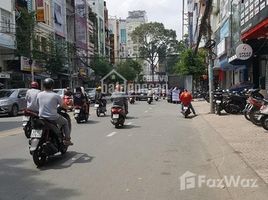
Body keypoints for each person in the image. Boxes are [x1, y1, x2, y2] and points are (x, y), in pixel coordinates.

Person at [37, 78, 73, 145]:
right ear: (52, 86)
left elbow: (37, 105)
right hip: (52, 117)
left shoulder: (39, 94)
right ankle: (67, 139)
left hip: (41, 117)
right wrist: (69, 107)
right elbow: (63, 105)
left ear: (44, 85)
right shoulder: (56, 95)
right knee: (65, 122)